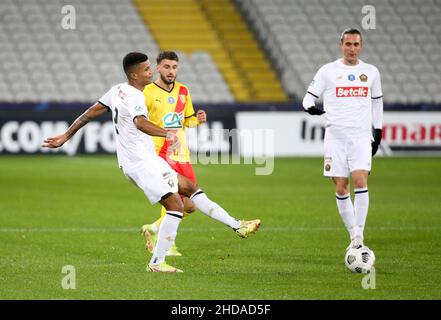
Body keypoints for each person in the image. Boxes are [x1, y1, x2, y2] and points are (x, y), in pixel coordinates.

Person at [42, 52, 260, 273]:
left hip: (147, 160)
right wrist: (168, 134)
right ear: (134, 75)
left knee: (190, 188)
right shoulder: (137, 96)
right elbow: (140, 123)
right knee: (176, 206)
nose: (151, 71)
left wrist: (65, 136)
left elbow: (89, 113)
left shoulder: (117, 90)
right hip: (141, 164)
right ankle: (157, 263)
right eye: (147, 69)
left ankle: (237, 225)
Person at [302, 28, 383, 250]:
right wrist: (315, 109)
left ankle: (358, 236)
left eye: (356, 44)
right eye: (348, 44)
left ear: (361, 46)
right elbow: (307, 100)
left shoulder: (371, 72)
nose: (352, 49)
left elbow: (377, 103)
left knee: (360, 181)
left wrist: (378, 131)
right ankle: (353, 234)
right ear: (341, 45)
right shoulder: (328, 71)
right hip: (335, 137)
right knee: (341, 187)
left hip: (360, 137)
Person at [140, 51, 206, 257]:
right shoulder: (147, 92)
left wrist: (198, 120)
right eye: (166, 67)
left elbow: (187, 120)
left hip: (182, 154)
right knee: (173, 199)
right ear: (157, 68)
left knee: (191, 205)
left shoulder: (184, 91)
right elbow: (140, 122)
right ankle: (168, 245)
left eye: (174, 67)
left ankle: (153, 228)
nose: (171, 71)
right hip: (160, 154)